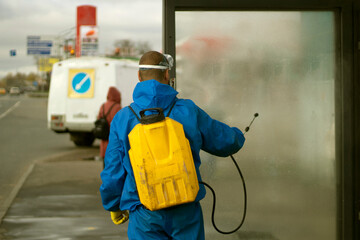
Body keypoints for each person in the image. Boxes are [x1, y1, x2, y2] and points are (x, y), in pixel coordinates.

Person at [100, 51, 245, 240]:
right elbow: (224, 141)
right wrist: (239, 135)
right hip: (185, 209)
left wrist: (113, 205)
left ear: (139, 77)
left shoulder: (123, 118)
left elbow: (113, 170)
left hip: (144, 211)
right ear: (167, 75)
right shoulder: (188, 110)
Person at [97, 86, 122, 167]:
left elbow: (98, 118)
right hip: (113, 140)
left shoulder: (103, 106)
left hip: (104, 138)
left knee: (105, 165)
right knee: (114, 165)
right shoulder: (117, 107)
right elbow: (119, 124)